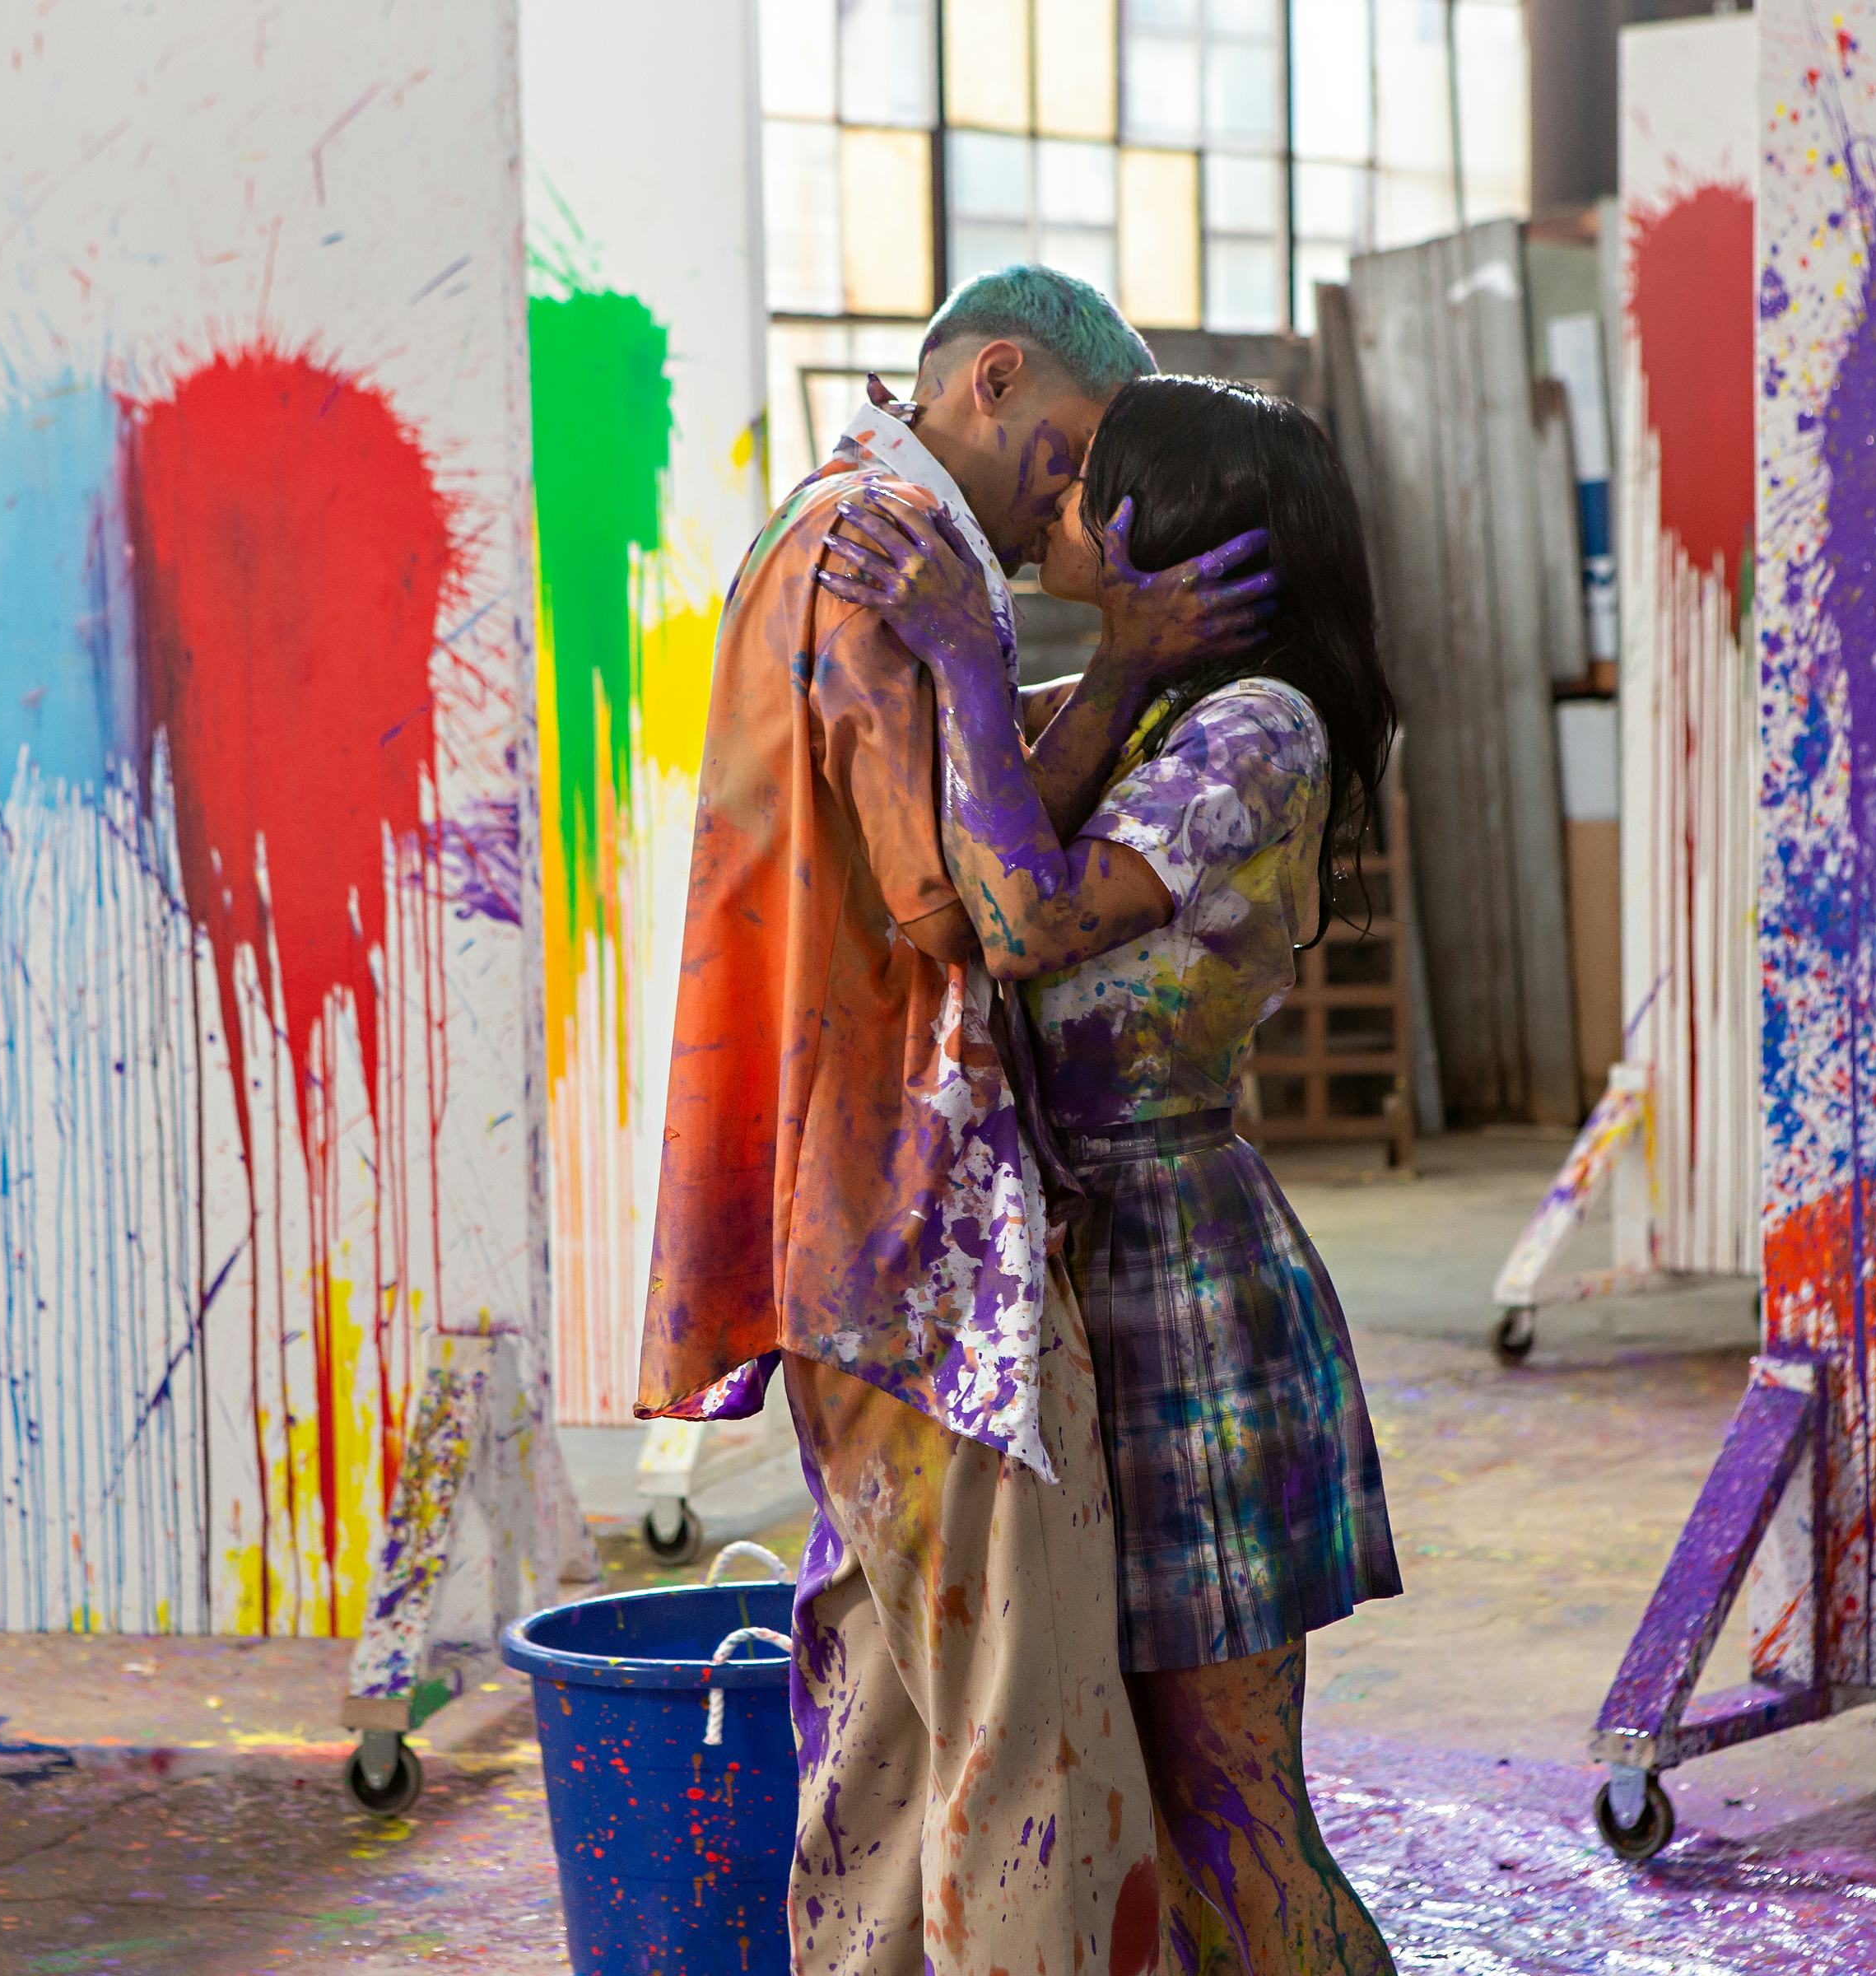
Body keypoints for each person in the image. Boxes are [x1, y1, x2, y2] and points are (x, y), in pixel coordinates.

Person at [635, 270, 1276, 1976]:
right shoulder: (889, 553)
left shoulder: (835, 529)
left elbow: (943, 862)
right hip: (928, 1244)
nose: (1066, 511)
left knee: (893, 1740)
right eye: (1061, 464)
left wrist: (1077, 670)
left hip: (851, 1228)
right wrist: (1082, 670)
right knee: (1034, 1745)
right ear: (992, 377)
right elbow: (963, 904)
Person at [816, 374, 1405, 1976]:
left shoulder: (1257, 730)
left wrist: (956, 652)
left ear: (1182, 536)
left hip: (1192, 1296)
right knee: (1147, 1809)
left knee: (1234, 1819)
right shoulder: (1153, 701)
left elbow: (1023, 919)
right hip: (1098, 1278)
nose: (1052, 512)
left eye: (1088, 490)